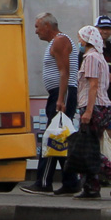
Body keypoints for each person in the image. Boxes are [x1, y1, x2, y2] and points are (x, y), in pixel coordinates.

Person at [21, 11, 80, 195]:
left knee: (52, 136)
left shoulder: (60, 41)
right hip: (59, 93)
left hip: (63, 93)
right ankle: (71, 182)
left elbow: (65, 72)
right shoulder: (55, 43)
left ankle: (44, 181)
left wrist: (61, 98)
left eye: (38, 27)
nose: (36, 31)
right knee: (59, 137)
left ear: (48, 26)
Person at [74, 25, 111, 198]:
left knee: (88, 150)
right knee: (89, 146)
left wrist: (88, 112)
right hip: (98, 107)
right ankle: (91, 188)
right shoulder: (97, 57)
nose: (79, 41)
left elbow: (93, 85)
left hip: (95, 108)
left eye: (80, 38)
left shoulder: (91, 58)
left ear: (87, 39)